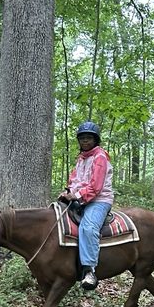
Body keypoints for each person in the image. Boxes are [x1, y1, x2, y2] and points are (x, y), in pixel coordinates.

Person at [58, 121, 114, 290]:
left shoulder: (100, 157)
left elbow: (95, 187)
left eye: (89, 138)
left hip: (99, 201)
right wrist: (68, 193)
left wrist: (76, 196)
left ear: (95, 140)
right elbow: (75, 180)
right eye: (82, 138)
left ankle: (89, 270)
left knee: (88, 228)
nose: (85, 141)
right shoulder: (81, 159)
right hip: (80, 199)